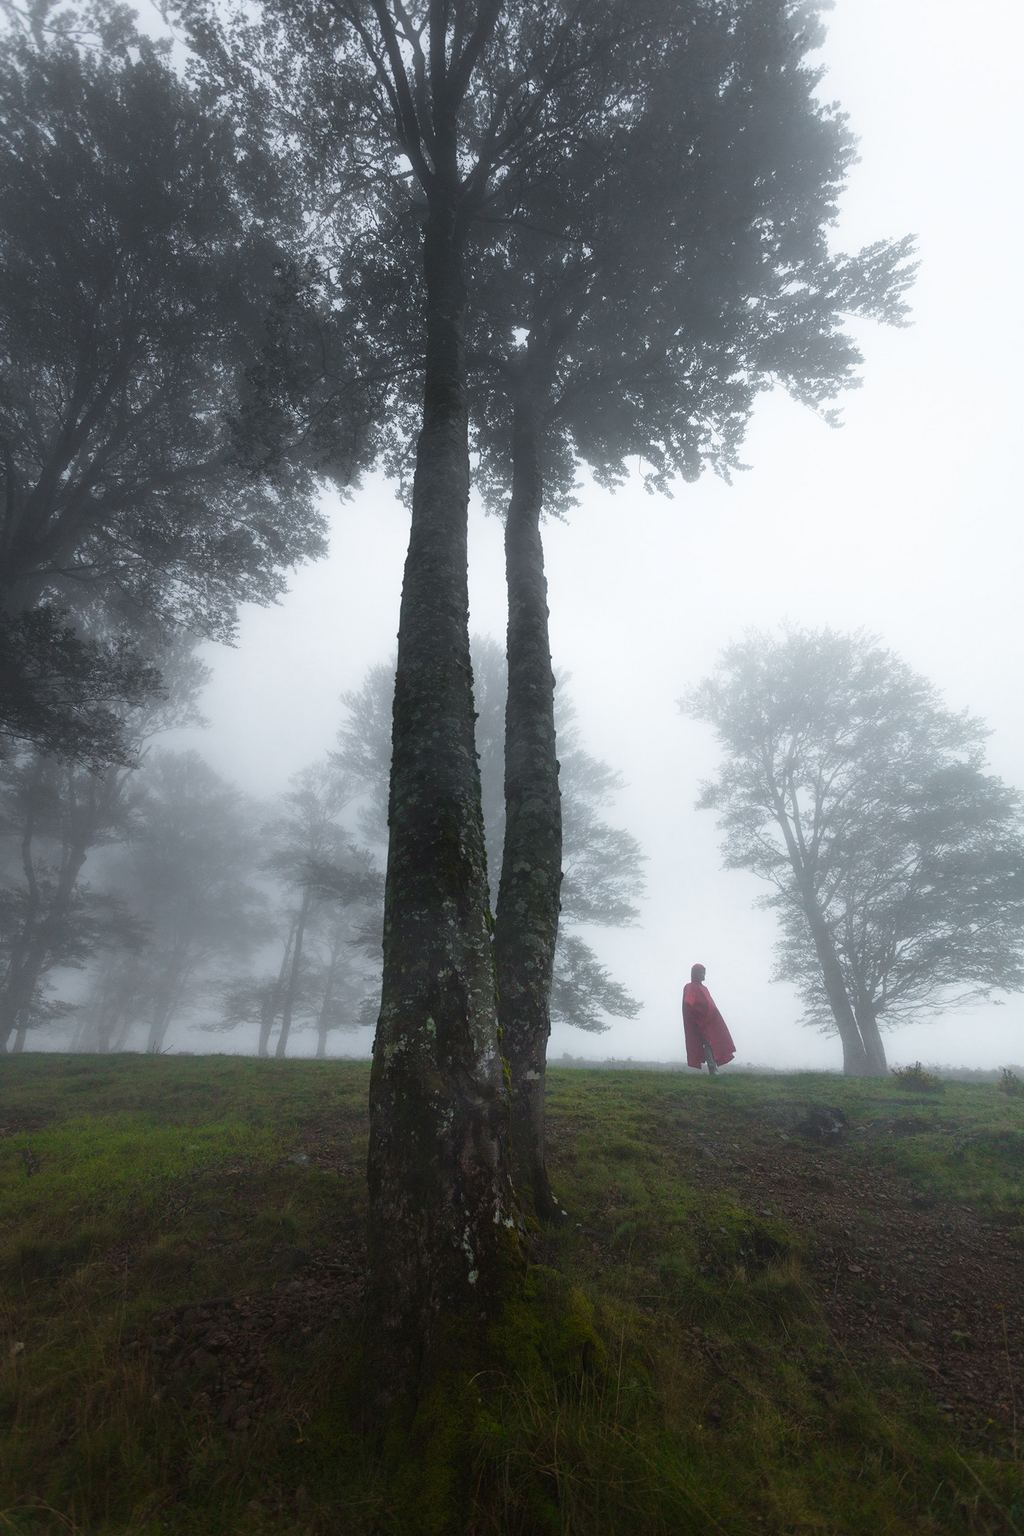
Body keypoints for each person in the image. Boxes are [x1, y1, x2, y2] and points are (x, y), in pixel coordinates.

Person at [682, 963, 736, 1074]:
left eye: (704, 973)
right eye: (702, 973)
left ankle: (713, 1067)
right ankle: (712, 1068)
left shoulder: (704, 988)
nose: (704, 976)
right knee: (707, 1043)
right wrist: (698, 1015)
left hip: (710, 1021)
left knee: (713, 1042)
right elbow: (688, 1002)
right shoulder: (690, 987)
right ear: (696, 973)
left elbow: (709, 1004)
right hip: (700, 1022)